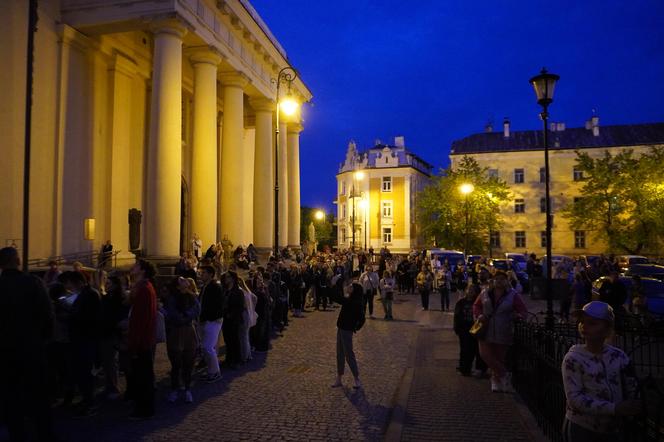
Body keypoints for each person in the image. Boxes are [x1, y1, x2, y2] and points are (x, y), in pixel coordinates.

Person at [561, 301, 641, 441]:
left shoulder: (619, 357)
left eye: (592, 323)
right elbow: (575, 399)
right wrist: (614, 408)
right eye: (583, 322)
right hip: (583, 427)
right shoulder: (573, 359)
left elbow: (632, 386)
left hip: (613, 429)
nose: (584, 326)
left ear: (607, 328)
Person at [0, 247, 56, 441]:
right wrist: (43, 340)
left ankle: (17, 433)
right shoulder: (33, 283)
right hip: (32, 349)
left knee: (10, 396)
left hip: (5, 352)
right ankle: (44, 433)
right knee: (39, 395)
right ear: (17, 260)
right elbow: (48, 316)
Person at [473, 271, 528, 392]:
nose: (499, 281)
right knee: (485, 354)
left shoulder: (513, 295)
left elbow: (523, 310)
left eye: (502, 279)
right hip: (485, 326)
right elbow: (476, 306)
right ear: (492, 280)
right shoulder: (485, 293)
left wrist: (517, 316)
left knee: (498, 357)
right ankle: (504, 374)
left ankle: (496, 381)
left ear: (506, 281)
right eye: (497, 279)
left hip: (503, 327)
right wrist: (479, 315)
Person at [61, 270, 102, 417]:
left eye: (70, 283)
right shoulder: (84, 294)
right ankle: (87, 400)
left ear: (77, 282)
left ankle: (91, 403)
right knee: (80, 372)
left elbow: (89, 318)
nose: (69, 287)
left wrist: (70, 313)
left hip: (86, 339)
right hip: (81, 339)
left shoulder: (90, 294)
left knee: (85, 373)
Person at [126, 259, 158, 420]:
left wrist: (134, 343)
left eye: (136, 265)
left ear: (143, 270)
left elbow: (141, 319)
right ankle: (143, 406)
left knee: (143, 377)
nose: (133, 267)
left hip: (141, 342)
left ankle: (144, 409)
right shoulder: (143, 287)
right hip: (142, 340)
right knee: (142, 375)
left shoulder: (145, 289)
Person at [163, 277, 200, 403]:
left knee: (189, 363)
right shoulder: (172, 298)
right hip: (176, 332)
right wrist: (185, 317)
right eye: (181, 280)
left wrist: (185, 316)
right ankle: (175, 389)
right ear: (178, 286)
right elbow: (173, 315)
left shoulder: (192, 296)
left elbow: (197, 309)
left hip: (189, 331)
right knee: (176, 364)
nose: (185, 281)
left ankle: (187, 389)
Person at [330, 275, 365, 389]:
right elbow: (338, 298)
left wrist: (354, 328)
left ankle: (356, 379)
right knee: (339, 353)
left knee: (349, 354)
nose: (349, 286)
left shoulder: (354, 302)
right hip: (341, 328)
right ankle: (339, 378)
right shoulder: (351, 299)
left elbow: (362, 319)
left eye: (351, 286)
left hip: (346, 330)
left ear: (355, 290)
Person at [198, 265, 225, 383]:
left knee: (208, 347)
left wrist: (209, 317)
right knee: (206, 347)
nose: (201, 275)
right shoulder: (206, 286)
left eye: (203, 273)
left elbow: (217, 305)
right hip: (206, 319)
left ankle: (215, 372)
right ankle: (210, 370)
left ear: (210, 274)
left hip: (213, 320)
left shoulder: (215, 287)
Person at [454, 284, 482, 376]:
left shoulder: (477, 302)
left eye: (473, 290)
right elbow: (457, 316)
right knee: (464, 349)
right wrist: (457, 328)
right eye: (469, 289)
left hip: (474, 328)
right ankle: (464, 368)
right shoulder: (461, 302)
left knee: (475, 348)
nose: (470, 291)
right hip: (464, 328)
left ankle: (477, 368)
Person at [221, 271, 245, 369]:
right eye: (225, 277)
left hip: (234, 319)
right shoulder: (225, 290)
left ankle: (237, 360)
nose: (226, 279)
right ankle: (229, 358)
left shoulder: (238, 291)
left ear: (233, 278)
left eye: (228, 277)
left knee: (235, 340)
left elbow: (240, 307)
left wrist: (231, 314)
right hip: (225, 318)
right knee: (227, 339)